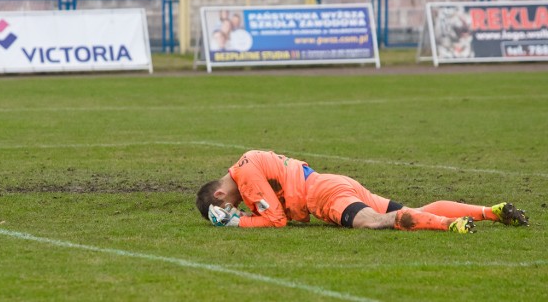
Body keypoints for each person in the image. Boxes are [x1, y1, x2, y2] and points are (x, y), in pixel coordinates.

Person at [196, 150, 529, 233]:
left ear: (220, 198)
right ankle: (490, 211)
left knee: (374, 222)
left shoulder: (244, 174)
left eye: (227, 208)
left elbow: (276, 220)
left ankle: (449, 226)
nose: (236, 208)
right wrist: (246, 214)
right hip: (333, 182)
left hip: (325, 197)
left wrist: (236, 224)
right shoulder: (247, 164)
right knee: (417, 207)